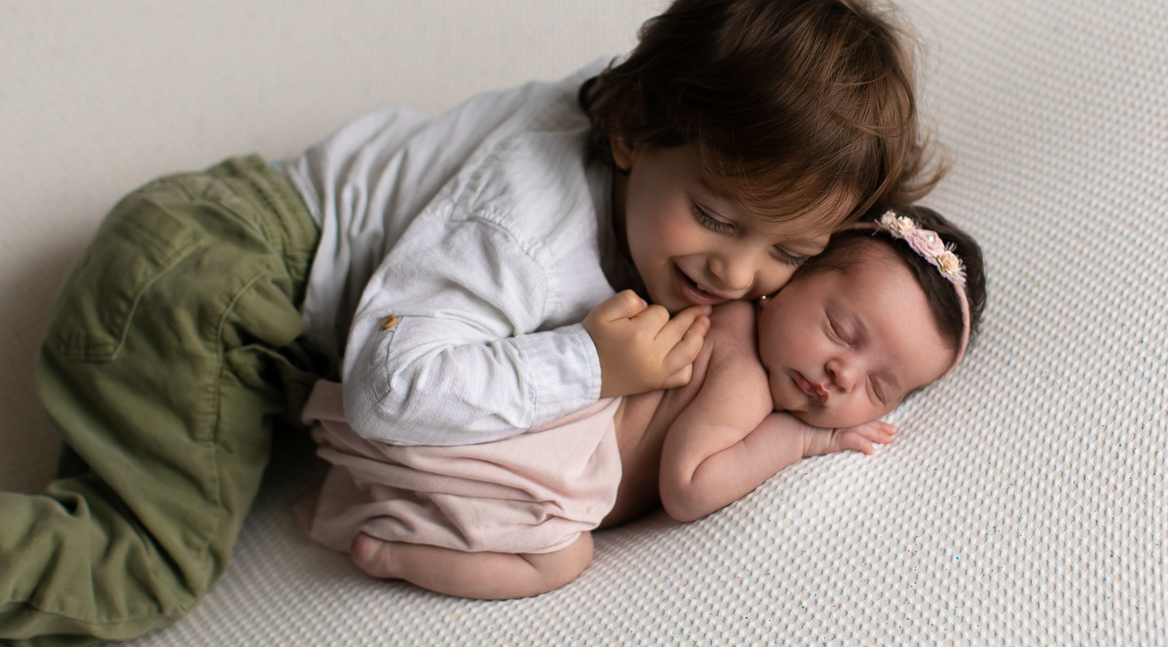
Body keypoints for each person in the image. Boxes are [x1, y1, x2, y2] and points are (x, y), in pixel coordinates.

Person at [0, 0, 943, 645]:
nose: (737, 275)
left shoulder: (652, 138)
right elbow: (387, 389)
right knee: (132, 568)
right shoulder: (524, 233)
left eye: (789, 251)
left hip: (221, 263)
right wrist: (587, 362)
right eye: (713, 215)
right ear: (627, 133)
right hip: (220, 281)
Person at [298, 206, 987, 600]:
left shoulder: (741, 328)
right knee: (560, 562)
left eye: (879, 388)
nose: (841, 374)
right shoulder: (742, 368)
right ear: (789, 279)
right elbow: (689, 487)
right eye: (841, 331)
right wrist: (801, 442)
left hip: (525, 437)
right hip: (537, 465)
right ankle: (392, 556)